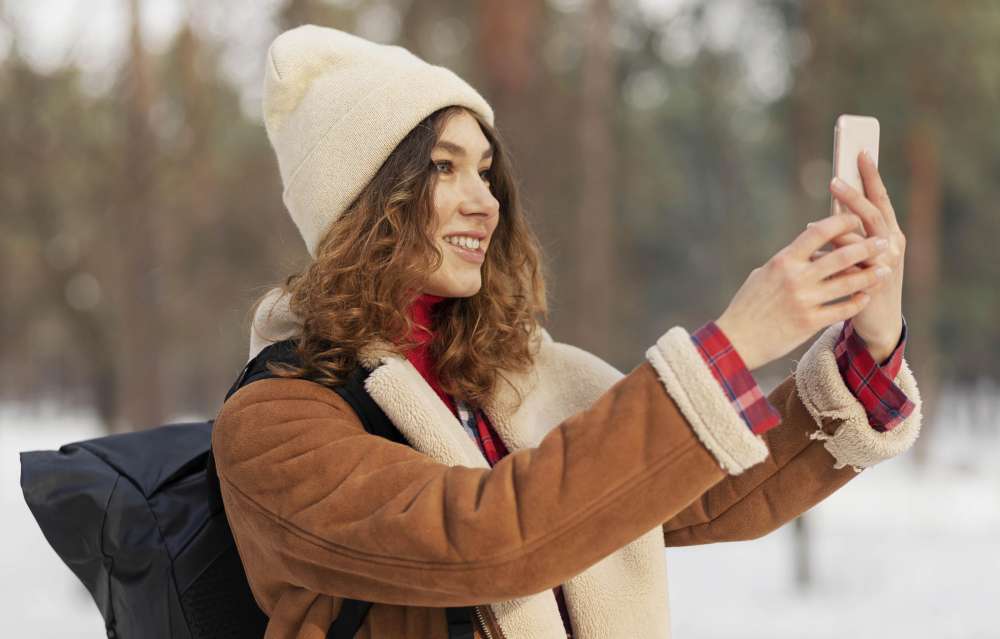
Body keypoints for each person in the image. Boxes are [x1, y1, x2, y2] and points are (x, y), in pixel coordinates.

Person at [211, 24, 921, 639]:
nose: (486, 202)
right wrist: (732, 347)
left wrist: (871, 346)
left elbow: (702, 484)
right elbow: (487, 540)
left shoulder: (511, 375)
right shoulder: (277, 421)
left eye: (486, 171)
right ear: (363, 200)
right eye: (443, 167)